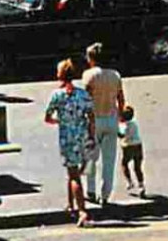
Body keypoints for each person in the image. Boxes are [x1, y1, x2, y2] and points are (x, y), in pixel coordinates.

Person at [44, 59, 95, 227]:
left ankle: (82, 212)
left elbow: (48, 117)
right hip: (82, 135)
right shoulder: (83, 94)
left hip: (67, 138)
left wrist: (60, 122)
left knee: (73, 175)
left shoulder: (57, 95)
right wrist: (91, 135)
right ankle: (71, 205)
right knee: (75, 172)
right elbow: (91, 116)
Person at [80, 43, 125, 207]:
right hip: (111, 119)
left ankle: (90, 191)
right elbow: (121, 99)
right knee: (109, 160)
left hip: (94, 119)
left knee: (91, 156)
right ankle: (105, 194)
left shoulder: (89, 75)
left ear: (92, 58)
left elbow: (86, 99)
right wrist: (120, 117)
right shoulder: (115, 75)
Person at [118, 104, 146, 198]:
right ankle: (141, 185)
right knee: (137, 167)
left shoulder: (124, 126)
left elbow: (122, 135)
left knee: (124, 164)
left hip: (128, 147)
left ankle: (129, 182)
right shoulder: (134, 123)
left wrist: (115, 131)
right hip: (138, 145)